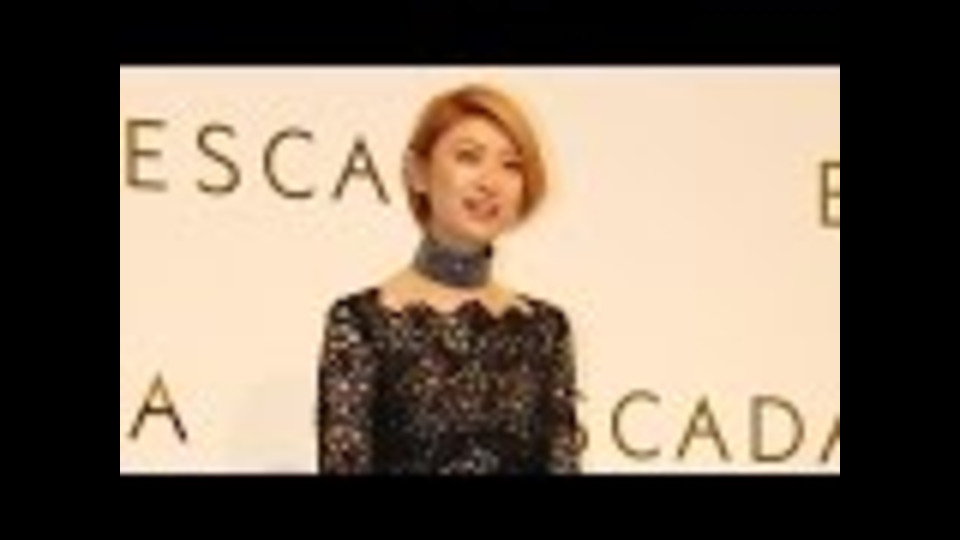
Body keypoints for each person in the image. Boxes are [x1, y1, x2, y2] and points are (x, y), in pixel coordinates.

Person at [317, 83, 579, 474]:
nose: (489, 182)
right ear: (418, 173)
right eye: (469, 157)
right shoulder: (362, 324)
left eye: (511, 165)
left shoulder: (545, 330)